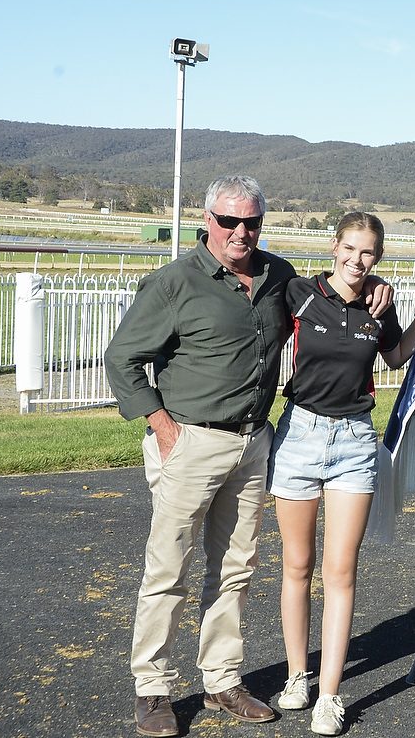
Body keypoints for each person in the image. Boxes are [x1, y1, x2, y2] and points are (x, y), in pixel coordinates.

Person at [104, 176, 294, 737]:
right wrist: (163, 429)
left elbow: (333, 298)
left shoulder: (276, 275)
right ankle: (153, 688)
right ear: (207, 219)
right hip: (190, 441)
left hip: (253, 441)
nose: (242, 232)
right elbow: (122, 359)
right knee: (169, 569)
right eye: (230, 221)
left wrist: (376, 286)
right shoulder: (174, 283)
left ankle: (222, 681)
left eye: (252, 222)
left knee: (236, 568)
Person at [269, 212, 415, 735]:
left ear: (378, 257)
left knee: (340, 572)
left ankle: (329, 694)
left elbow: (393, 355)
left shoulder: (378, 303)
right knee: (297, 566)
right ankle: (298, 675)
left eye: (367, 253)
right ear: (333, 246)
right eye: (349, 248)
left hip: (354, 443)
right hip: (298, 437)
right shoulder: (298, 292)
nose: (356, 260)